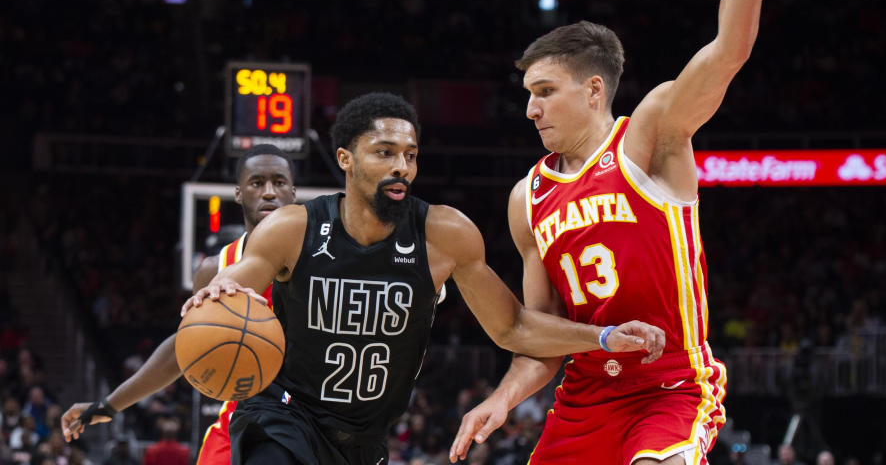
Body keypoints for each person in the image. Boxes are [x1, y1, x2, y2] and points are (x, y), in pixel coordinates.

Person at [451, 0, 781, 465]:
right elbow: (539, 334)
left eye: (545, 91)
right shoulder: (528, 198)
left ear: (594, 87)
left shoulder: (650, 135)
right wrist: (502, 397)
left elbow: (729, 51)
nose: (531, 109)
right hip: (583, 403)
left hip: (671, 390)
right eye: (527, 94)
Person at [182, 92, 665, 465]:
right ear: (345, 159)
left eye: (410, 155)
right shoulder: (294, 228)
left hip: (364, 438)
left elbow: (513, 328)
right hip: (282, 418)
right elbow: (238, 279)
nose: (401, 167)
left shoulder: (445, 234)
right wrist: (217, 292)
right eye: (384, 152)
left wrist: (603, 337)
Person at [61, 145, 298, 465]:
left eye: (279, 182)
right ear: (239, 194)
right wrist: (108, 405)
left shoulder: (322, 262)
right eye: (257, 183)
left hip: (308, 421)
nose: (269, 192)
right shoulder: (215, 269)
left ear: (294, 192)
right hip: (241, 421)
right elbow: (182, 349)